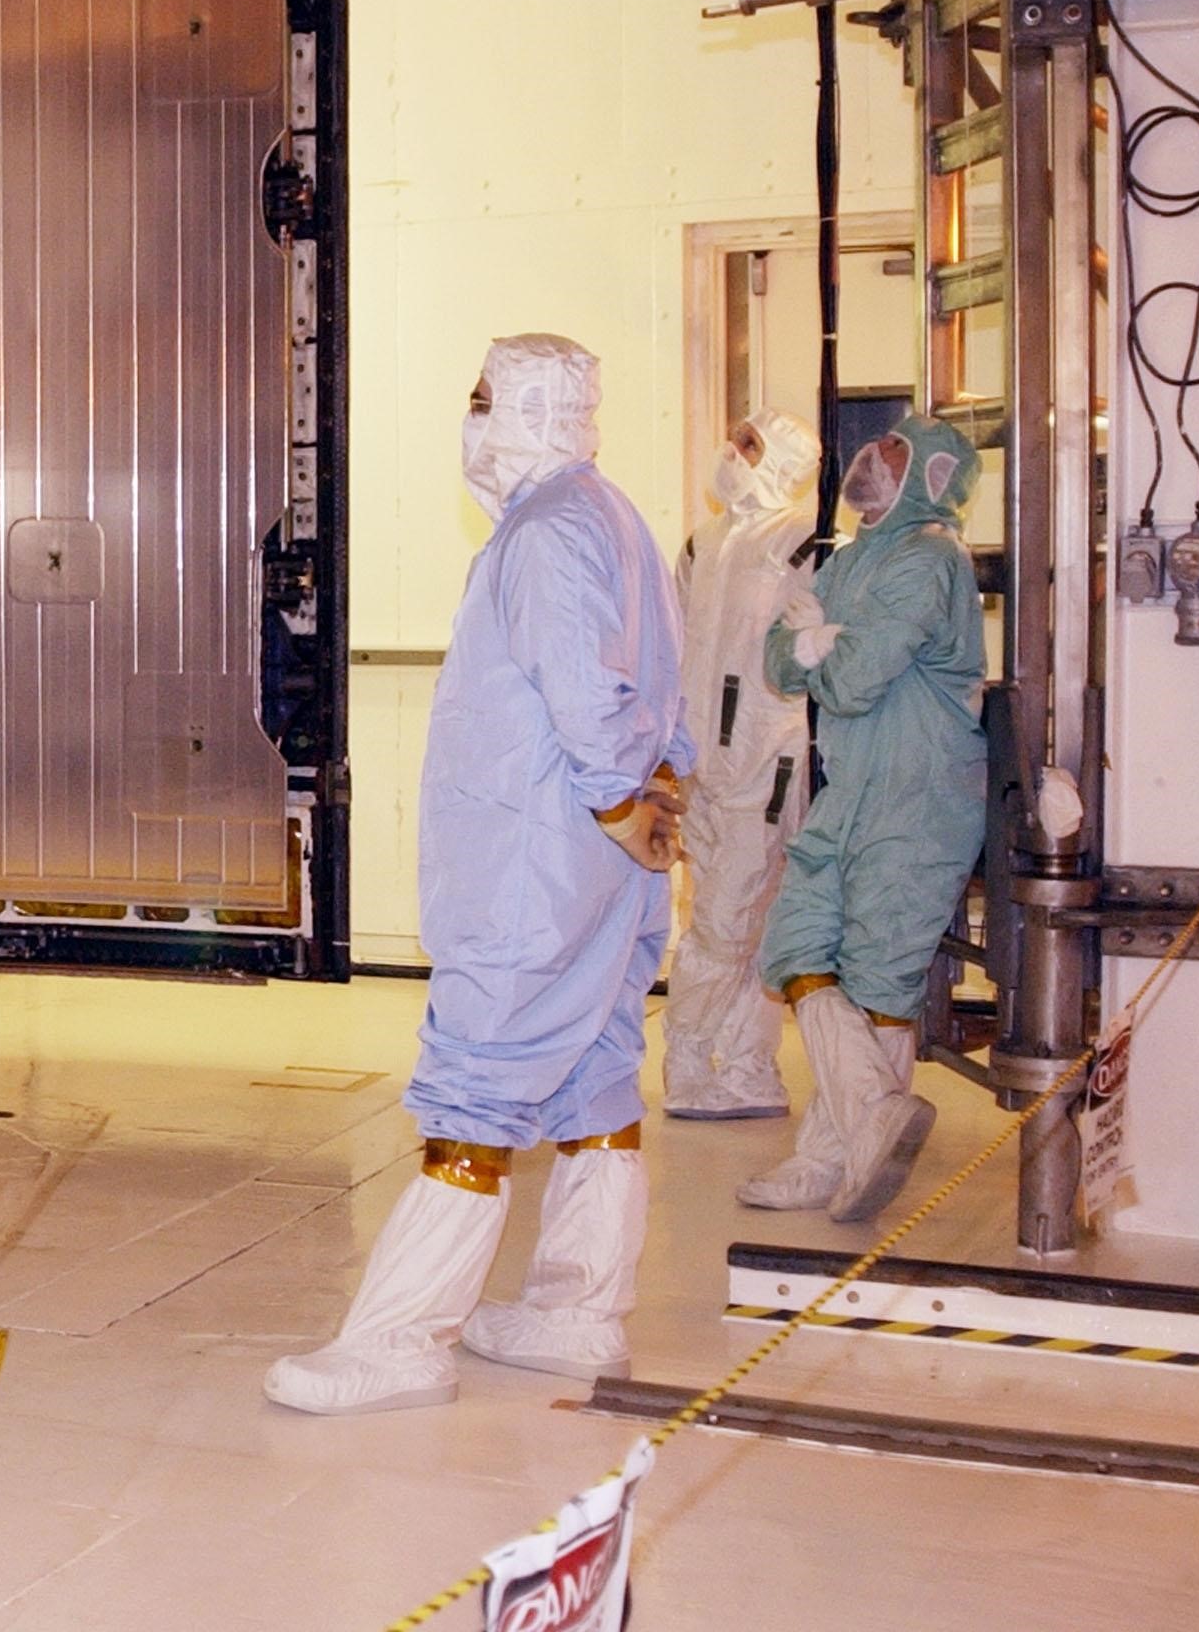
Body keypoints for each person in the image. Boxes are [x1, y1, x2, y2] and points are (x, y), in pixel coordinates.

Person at [266, 335, 692, 1416]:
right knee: (596, 1073)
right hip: (595, 862)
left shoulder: (545, 533)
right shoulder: (612, 516)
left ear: (530, 410)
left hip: (533, 866)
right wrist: (655, 796)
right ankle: (575, 1313)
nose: (471, 417)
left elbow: (584, 692)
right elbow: (665, 680)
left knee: (477, 1086)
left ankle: (402, 1339)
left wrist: (617, 799)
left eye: (483, 398)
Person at [736, 415, 985, 1223]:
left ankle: (829, 1158)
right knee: (794, 946)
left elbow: (848, 684)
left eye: (897, 450)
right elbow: (778, 663)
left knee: (878, 979)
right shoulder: (849, 559)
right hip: (849, 792)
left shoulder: (930, 560)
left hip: (919, 798)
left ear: (931, 478)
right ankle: (872, 1113)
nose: (874, 455)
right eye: (881, 442)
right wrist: (816, 643)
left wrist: (816, 642)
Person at [664, 409, 822, 1120]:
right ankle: (732, 1068)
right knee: (717, 915)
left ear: (782, 461)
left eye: (749, 444)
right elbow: (677, 644)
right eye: (734, 438)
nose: (730, 451)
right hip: (701, 762)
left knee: (737, 919)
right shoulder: (704, 542)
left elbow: (813, 648)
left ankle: (707, 1059)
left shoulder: (803, 540)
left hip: (765, 761)